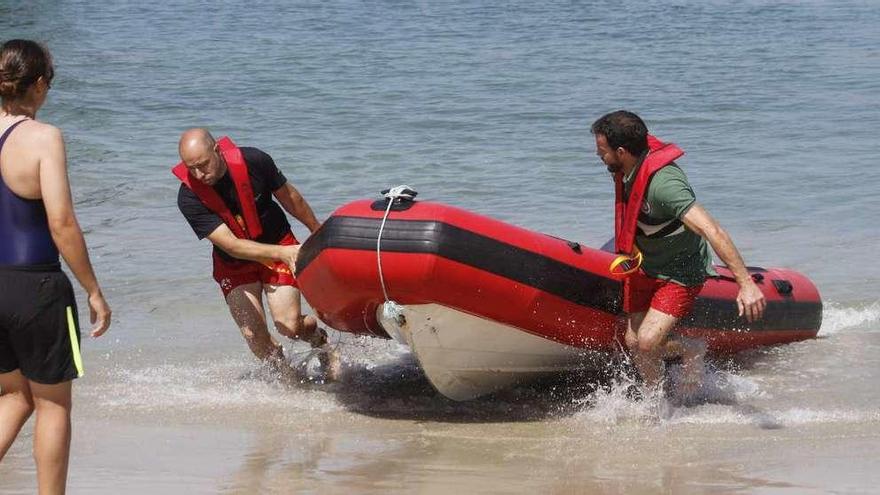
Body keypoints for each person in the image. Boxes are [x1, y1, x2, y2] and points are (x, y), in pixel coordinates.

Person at [0, 39, 112, 493]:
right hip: (37, 287)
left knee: (12, 397)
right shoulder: (43, 137)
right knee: (53, 406)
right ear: (40, 84)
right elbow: (61, 221)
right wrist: (93, 290)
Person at [591, 110, 765, 399]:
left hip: (679, 270)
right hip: (644, 262)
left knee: (647, 341)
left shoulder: (665, 186)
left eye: (602, 151)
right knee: (633, 341)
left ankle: (691, 348)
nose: (599, 157)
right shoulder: (626, 167)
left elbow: (712, 230)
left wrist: (746, 283)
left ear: (622, 152)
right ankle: (655, 399)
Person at [173, 128, 337, 380]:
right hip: (235, 262)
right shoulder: (188, 197)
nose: (198, 174)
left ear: (217, 149)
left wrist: (317, 231)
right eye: (191, 168)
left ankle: (320, 341)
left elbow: (290, 197)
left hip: (278, 242)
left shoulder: (255, 161)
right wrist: (283, 253)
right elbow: (231, 245)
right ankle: (289, 379)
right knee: (253, 334)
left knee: (289, 326)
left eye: (203, 165)